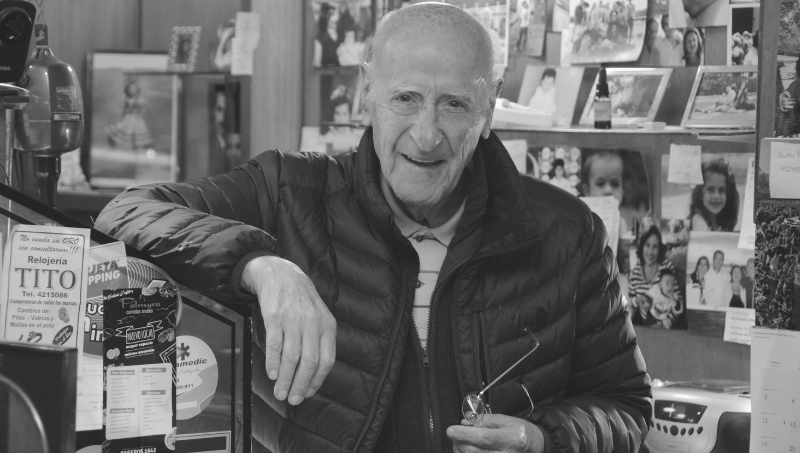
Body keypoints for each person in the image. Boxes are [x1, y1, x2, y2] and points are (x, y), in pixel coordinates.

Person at [96, 4, 651, 452]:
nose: (426, 135)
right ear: (367, 91)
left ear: (488, 109)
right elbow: (126, 212)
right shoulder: (290, 191)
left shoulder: (568, 233)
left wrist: (542, 440)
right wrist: (259, 266)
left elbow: (625, 407)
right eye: (405, 98)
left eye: (454, 105)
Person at [629, 225, 675, 309]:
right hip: (640, 317)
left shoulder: (667, 266)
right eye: (647, 245)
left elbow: (677, 300)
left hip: (664, 316)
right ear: (642, 247)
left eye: (655, 247)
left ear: (659, 249)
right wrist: (636, 300)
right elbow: (625, 302)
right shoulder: (635, 271)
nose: (650, 252)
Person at [690, 158, 740, 232]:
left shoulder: (721, 220)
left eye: (721, 190)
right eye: (710, 190)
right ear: (701, 194)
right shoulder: (698, 220)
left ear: (728, 194)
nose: (716, 196)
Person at [105, 76, 153, 151]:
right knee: (117, 130)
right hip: (127, 119)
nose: (132, 90)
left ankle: (137, 150)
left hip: (136, 120)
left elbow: (148, 106)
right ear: (127, 90)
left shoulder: (138, 99)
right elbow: (124, 111)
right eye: (130, 89)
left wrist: (141, 114)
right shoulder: (126, 99)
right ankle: (114, 147)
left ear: (137, 89)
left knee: (136, 135)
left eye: (134, 88)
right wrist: (120, 119)